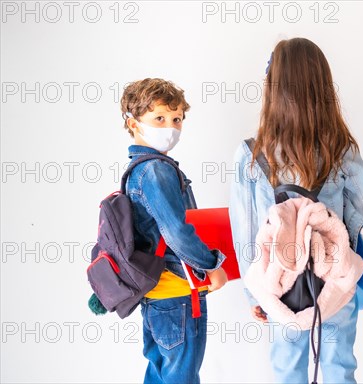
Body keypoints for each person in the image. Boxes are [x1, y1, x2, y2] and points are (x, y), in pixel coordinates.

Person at [229, 37, 363, 383]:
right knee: (341, 370)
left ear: (273, 88)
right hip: (336, 286)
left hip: (280, 285)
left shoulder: (251, 155)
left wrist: (253, 292)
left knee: (288, 373)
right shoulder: (342, 151)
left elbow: (245, 230)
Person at [120, 78, 227, 384]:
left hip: (155, 293)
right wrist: (211, 266)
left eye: (177, 118)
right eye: (160, 118)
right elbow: (176, 232)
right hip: (179, 293)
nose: (171, 127)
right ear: (134, 123)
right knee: (181, 377)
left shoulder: (138, 169)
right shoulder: (156, 170)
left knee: (159, 374)